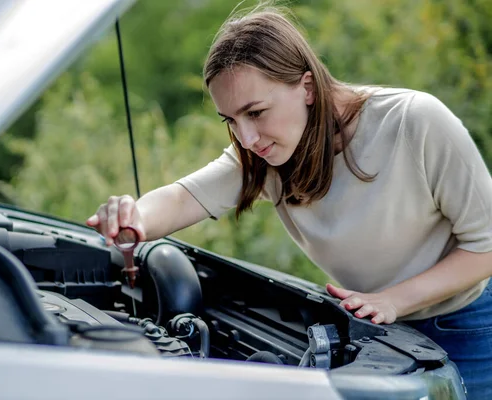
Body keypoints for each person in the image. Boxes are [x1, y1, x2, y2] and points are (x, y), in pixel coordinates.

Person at [87, 6, 492, 398]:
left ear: (308, 87)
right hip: (375, 336)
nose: (246, 138)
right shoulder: (264, 156)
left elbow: (486, 246)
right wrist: (131, 215)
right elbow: (181, 198)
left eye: (256, 112)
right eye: (230, 120)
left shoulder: (414, 121)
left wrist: (393, 300)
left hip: (463, 326)